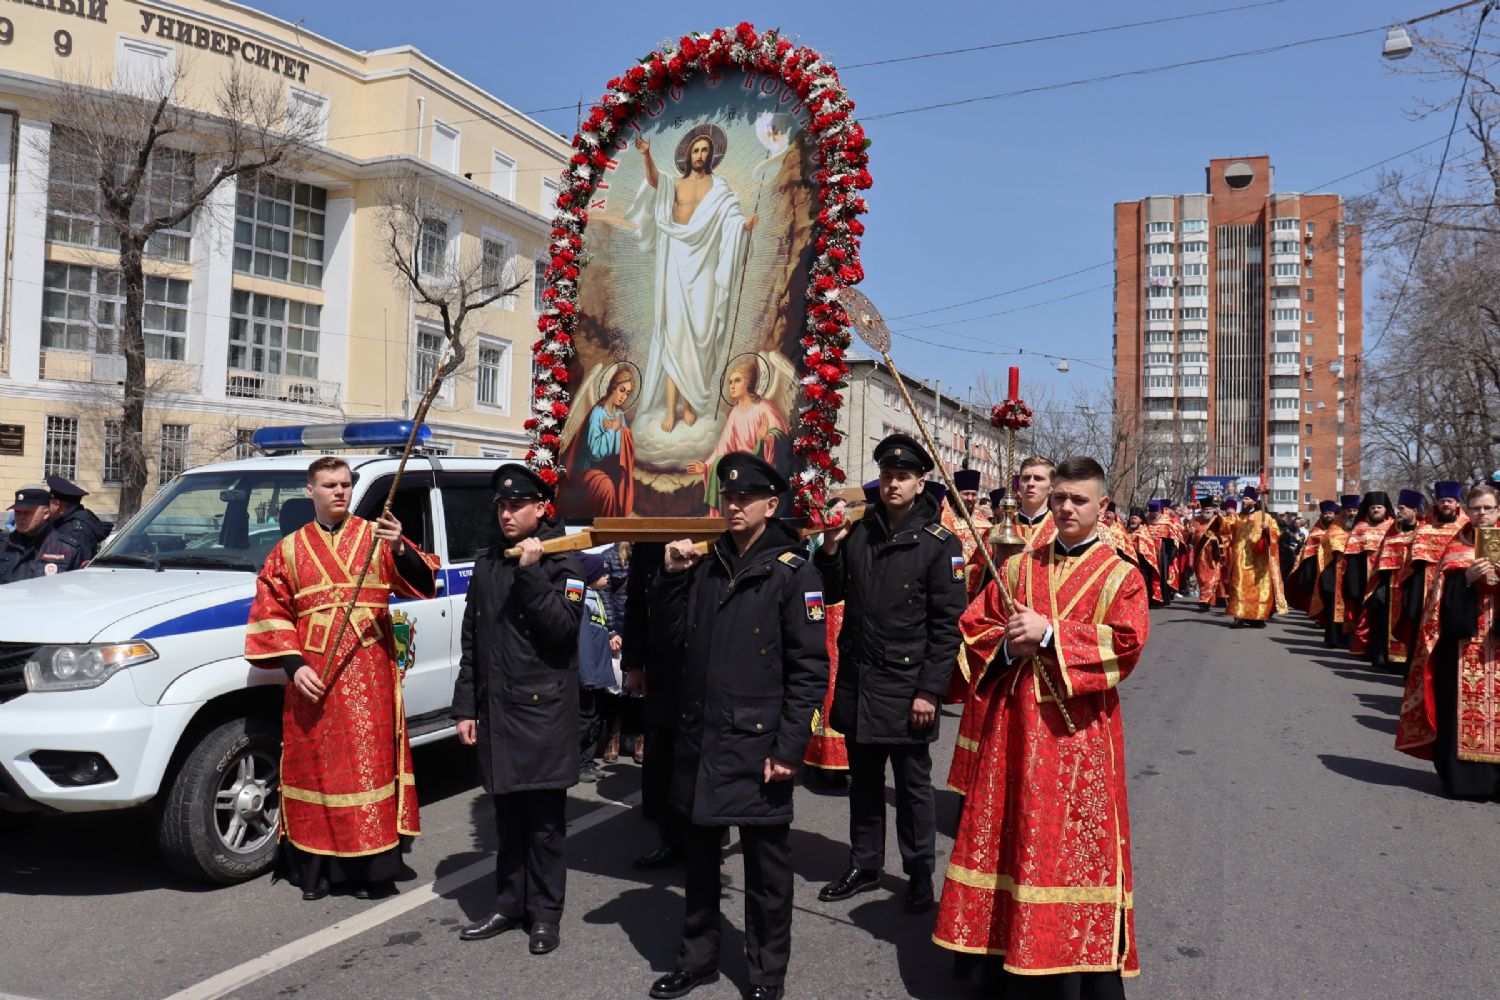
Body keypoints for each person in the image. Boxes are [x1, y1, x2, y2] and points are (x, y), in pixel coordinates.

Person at [933, 456, 1149, 998]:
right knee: (1007, 837)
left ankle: (1074, 968)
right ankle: (999, 961)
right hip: (1011, 729)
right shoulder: (1016, 568)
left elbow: (1127, 643)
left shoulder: (1120, 575)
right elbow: (975, 628)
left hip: (1080, 738)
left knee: (1074, 850)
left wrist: (1051, 634)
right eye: (1060, 499)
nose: (1067, 508)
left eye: (1079, 499)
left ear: (1102, 506)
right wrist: (1010, 645)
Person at [646, 452, 827, 1000]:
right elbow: (667, 640)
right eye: (728, 497)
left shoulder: (794, 572)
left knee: (767, 870)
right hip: (702, 738)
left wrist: (790, 747)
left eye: (746, 498)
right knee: (700, 863)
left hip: (759, 743)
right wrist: (670, 578)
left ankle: (767, 973)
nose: (735, 506)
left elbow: (810, 669)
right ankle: (697, 959)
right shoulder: (704, 565)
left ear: (771, 506)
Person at [244, 457, 438, 901]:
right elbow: (271, 611)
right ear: (310, 490)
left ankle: (372, 872)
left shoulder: (376, 536)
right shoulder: (288, 550)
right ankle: (317, 872)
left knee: (368, 771)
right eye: (330, 485)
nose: (339, 492)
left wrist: (400, 547)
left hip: (370, 679)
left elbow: (423, 581)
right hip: (315, 681)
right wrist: (294, 666)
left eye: (346, 485)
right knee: (318, 770)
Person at [814, 433, 966, 915]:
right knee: (862, 782)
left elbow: (948, 626)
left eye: (903, 477)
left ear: (920, 484)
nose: (893, 484)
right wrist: (830, 549)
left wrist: (929, 691)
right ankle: (864, 864)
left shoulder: (940, 544)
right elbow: (831, 592)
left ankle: (919, 874)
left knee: (912, 787)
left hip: (907, 688)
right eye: (886, 476)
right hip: (860, 678)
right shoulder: (860, 532)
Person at [452, 464, 585, 955]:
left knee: (544, 826)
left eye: (516, 506)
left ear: (540, 509)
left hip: (543, 713)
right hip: (498, 711)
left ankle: (545, 915)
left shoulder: (563, 559)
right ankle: (509, 905)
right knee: (507, 821)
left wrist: (531, 574)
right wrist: (466, 706)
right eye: (502, 507)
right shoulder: (490, 560)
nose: (506, 514)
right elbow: (473, 639)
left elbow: (562, 631)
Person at [631, 127, 757, 434]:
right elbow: (654, 181)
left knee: (701, 335)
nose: (700, 155)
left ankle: (688, 406)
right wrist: (646, 155)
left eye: (705, 151)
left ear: (711, 155)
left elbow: (731, 219)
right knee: (675, 337)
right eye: (696, 150)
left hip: (706, 265)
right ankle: (671, 410)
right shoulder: (675, 184)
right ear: (688, 155)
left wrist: (743, 227)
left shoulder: (720, 188)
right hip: (677, 259)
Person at [1396, 483, 1500, 798]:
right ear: (1467, 510)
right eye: (1476, 508)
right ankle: (1464, 780)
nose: (1482, 513)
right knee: (1459, 707)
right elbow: (1438, 601)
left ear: (1498, 510)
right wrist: (1466, 580)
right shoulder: (1456, 545)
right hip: (1463, 642)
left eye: (1488, 508)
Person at [685, 355, 790, 514]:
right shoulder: (734, 413)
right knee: (720, 465)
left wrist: (766, 438)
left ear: (747, 383)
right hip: (739, 469)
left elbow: (782, 440)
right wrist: (706, 466)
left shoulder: (764, 408)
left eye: (737, 381)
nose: (732, 386)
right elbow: (723, 447)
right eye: (730, 382)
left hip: (758, 468)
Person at [803, 499, 850, 781]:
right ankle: (818, 756)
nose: (840, 514)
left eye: (845, 509)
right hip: (825, 616)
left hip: (845, 619)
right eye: (836, 509)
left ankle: (842, 759)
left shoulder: (854, 537)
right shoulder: (816, 539)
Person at [1396, 482, 1468, 653]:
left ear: (1457, 503)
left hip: (1455, 586)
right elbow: (1413, 563)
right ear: (1437, 503)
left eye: (1450, 501)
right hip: (1426, 587)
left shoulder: (1466, 528)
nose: (1446, 504)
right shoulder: (1424, 529)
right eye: (1442, 501)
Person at [1358, 490, 1422, 671]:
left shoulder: (1423, 531)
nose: (1399, 511)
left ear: (1414, 510)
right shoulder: (1393, 531)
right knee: (1385, 622)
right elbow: (1382, 558)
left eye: (1403, 508)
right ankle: (1384, 658)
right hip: (1392, 584)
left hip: (1413, 585)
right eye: (1398, 508)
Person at [577, 551, 617, 783]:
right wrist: (587, 676)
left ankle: (588, 761)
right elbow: (583, 642)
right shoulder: (582, 600)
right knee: (584, 722)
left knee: (594, 721)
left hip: (598, 673)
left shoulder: (597, 596)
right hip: (589, 676)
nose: (607, 577)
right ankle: (579, 764)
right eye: (602, 573)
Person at [0, 485, 86, 584]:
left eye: (27, 512)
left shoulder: (68, 549)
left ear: (46, 514)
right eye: (17, 512)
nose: (20, 517)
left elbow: (78, 588)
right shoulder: (3, 545)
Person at [1344, 492, 1394, 657]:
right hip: (1363, 579)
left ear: (1385, 509)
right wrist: (1352, 583)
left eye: (1379, 507)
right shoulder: (1360, 528)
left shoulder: (1394, 527)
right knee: (1364, 613)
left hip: (1385, 578)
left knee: (1382, 615)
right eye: (1372, 507)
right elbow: (1352, 557)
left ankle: (1379, 651)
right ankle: (1363, 647)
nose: (1375, 510)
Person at [1224, 488, 1280, 627]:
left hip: (1259, 560)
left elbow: (1277, 534)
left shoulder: (1265, 517)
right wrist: (1218, 517)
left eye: (1247, 499)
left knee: (1258, 588)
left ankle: (1257, 617)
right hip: (1241, 558)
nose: (1244, 501)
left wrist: (1268, 529)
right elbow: (1225, 526)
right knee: (1239, 586)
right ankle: (1239, 615)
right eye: (1243, 498)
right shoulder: (1238, 517)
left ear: (1254, 501)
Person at [45, 474, 110, 561]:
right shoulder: (64, 522)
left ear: (57, 504)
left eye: (49, 503)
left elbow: (74, 562)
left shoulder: (76, 530)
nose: (47, 507)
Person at [1287, 501, 1336, 615]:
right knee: (1321, 591)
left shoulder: (1340, 530)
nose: (1327, 516)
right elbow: (1308, 549)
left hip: (1334, 566)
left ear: (1334, 514)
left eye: (1330, 513)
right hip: (1317, 567)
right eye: (1325, 513)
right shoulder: (1316, 532)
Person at [1192, 501, 1225, 613]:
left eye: (1209, 509)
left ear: (1213, 510)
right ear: (1202, 510)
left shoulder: (1218, 520)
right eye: (1205, 509)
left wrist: (1218, 539)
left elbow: (1227, 534)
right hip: (1200, 555)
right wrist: (1190, 533)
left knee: (1212, 578)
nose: (1207, 511)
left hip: (1213, 554)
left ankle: (1204, 601)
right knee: (1202, 579)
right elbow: (1187, 537)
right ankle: (1207, 599)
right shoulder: (1195, 520)